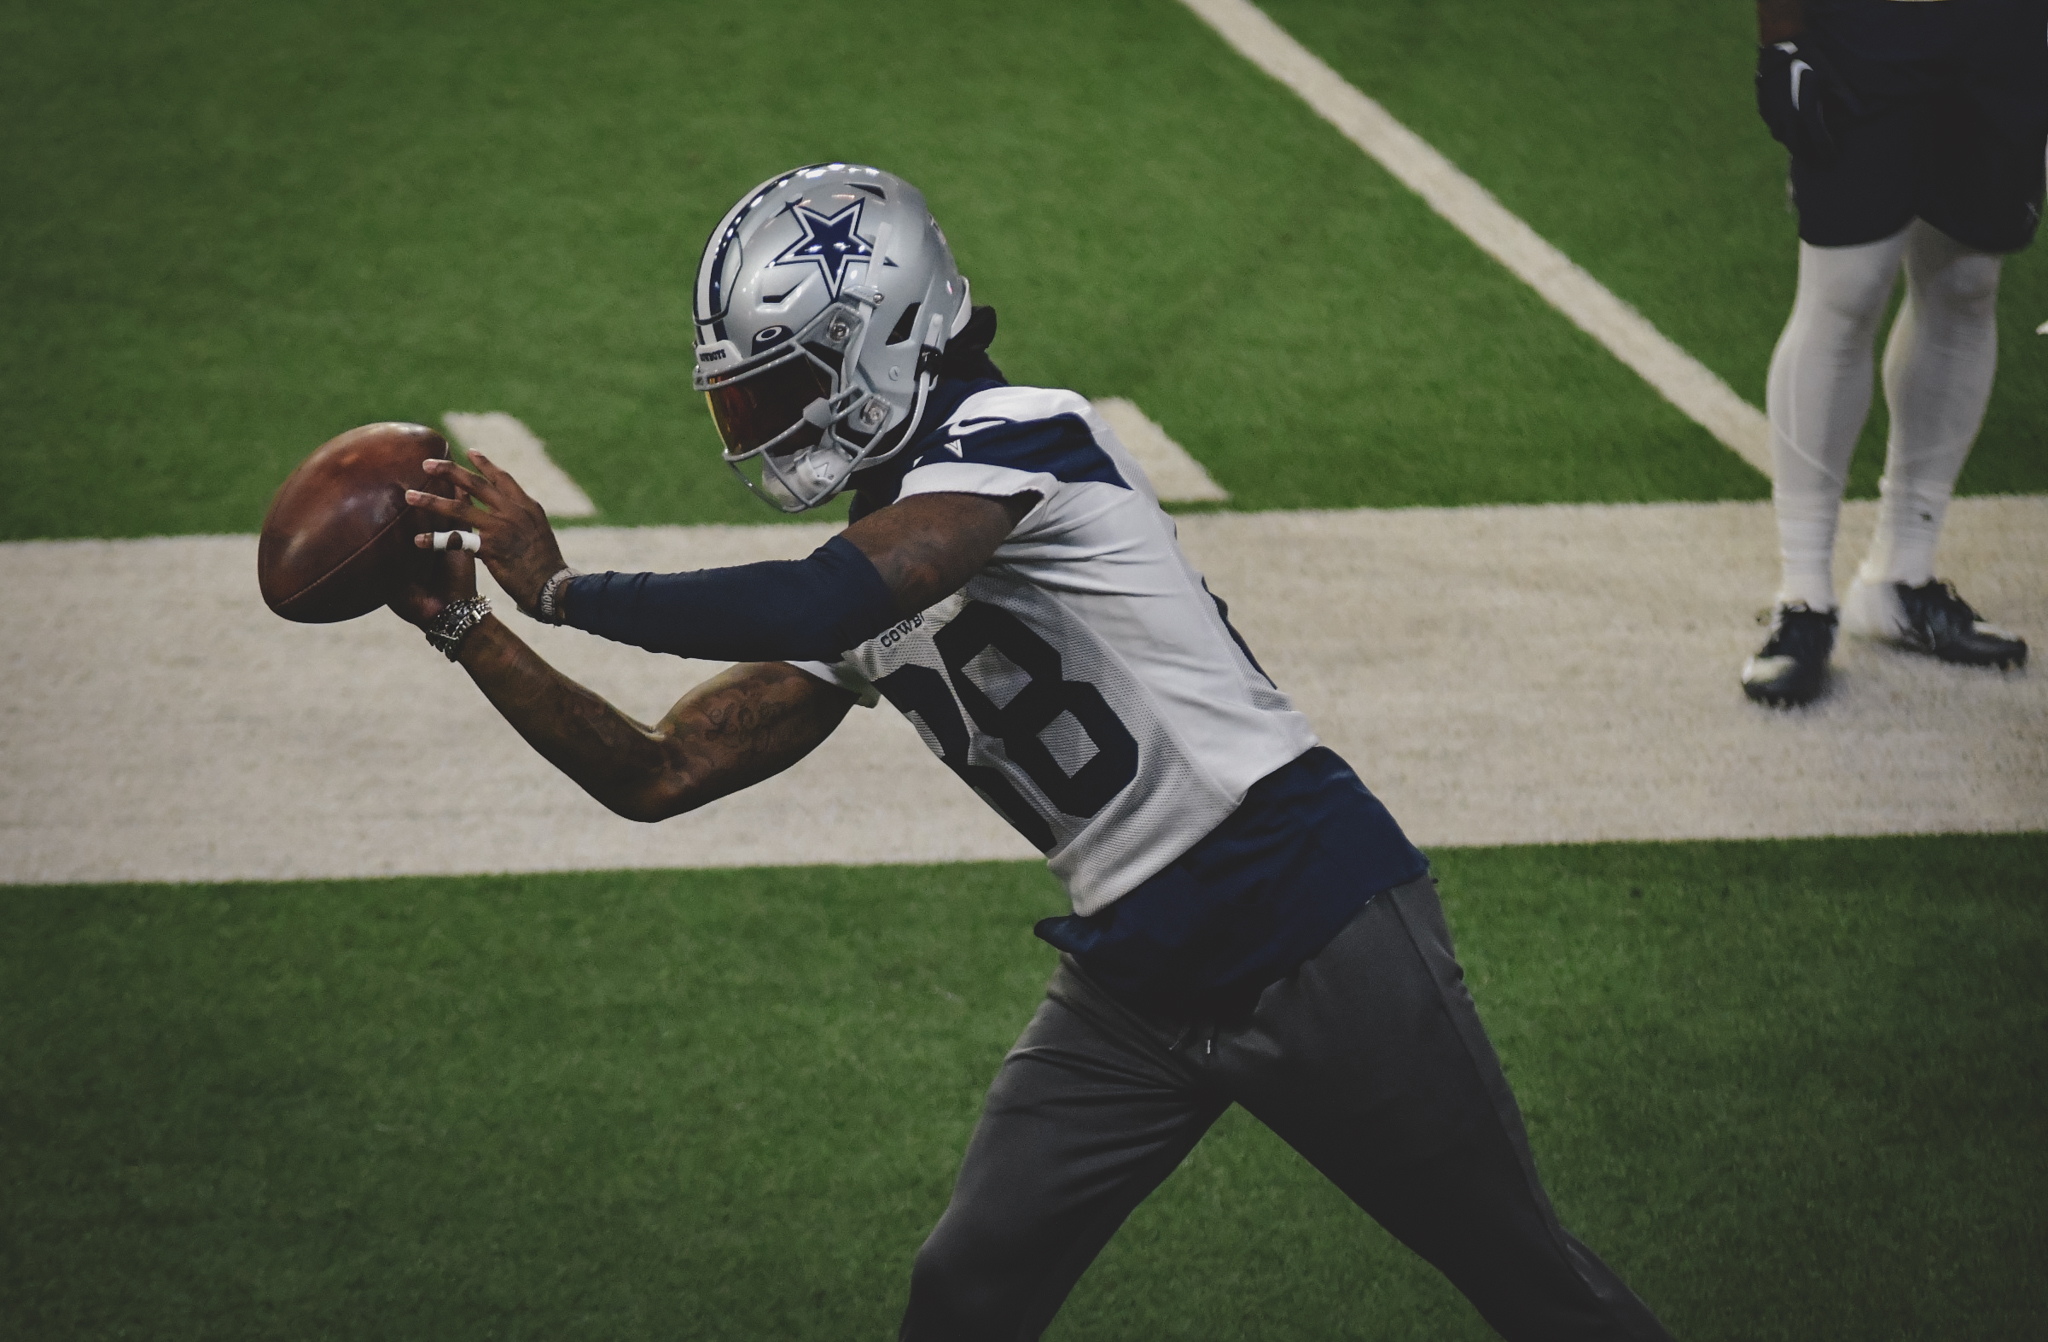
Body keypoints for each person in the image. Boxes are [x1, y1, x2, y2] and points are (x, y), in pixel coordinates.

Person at [391, 163, 1673, 1340]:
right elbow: (657, 772)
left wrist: (563, 591)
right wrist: (464, 626)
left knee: (1524, 1281)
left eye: (780, 385)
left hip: (1301, 907)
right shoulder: (881, 542)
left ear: (882, 338)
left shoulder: (1016, 433)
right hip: (1137, 974)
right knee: (965, 1292)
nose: (759, 422)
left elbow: (830, 600)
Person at [1741, 0, 2042, 707]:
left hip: (2007, 25)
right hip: (1867, 22)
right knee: (1846, 286)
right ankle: (1804, 597)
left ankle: (1900, 579)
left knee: (1969, 282)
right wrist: (1782, 33)